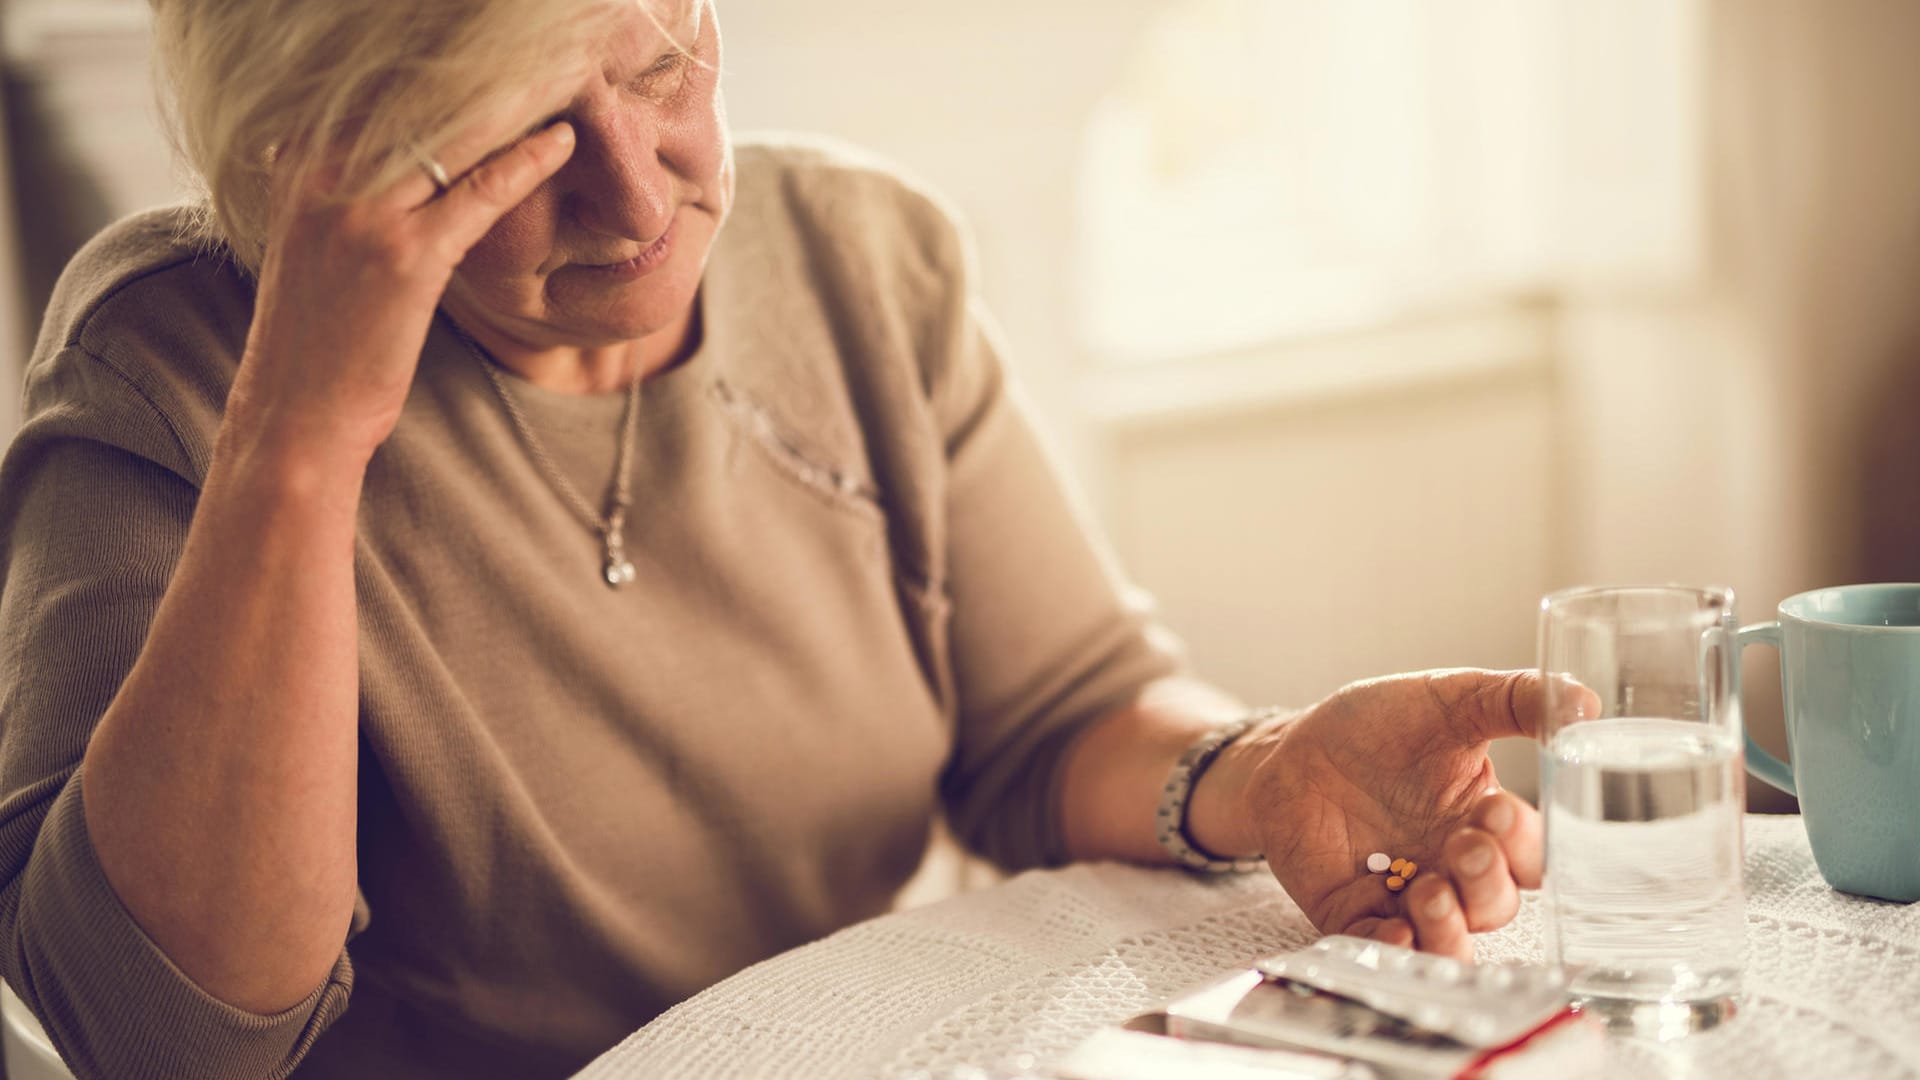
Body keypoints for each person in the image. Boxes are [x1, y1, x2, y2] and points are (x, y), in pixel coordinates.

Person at [0, 0, 1560, 1076]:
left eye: (665, 60)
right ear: (312, 170)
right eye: (516, 146)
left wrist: (1266, 767)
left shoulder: (858, 258)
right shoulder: (174, 368)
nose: (634, 199)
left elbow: (1055, 718)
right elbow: (175, 1041)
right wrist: (304, 441)